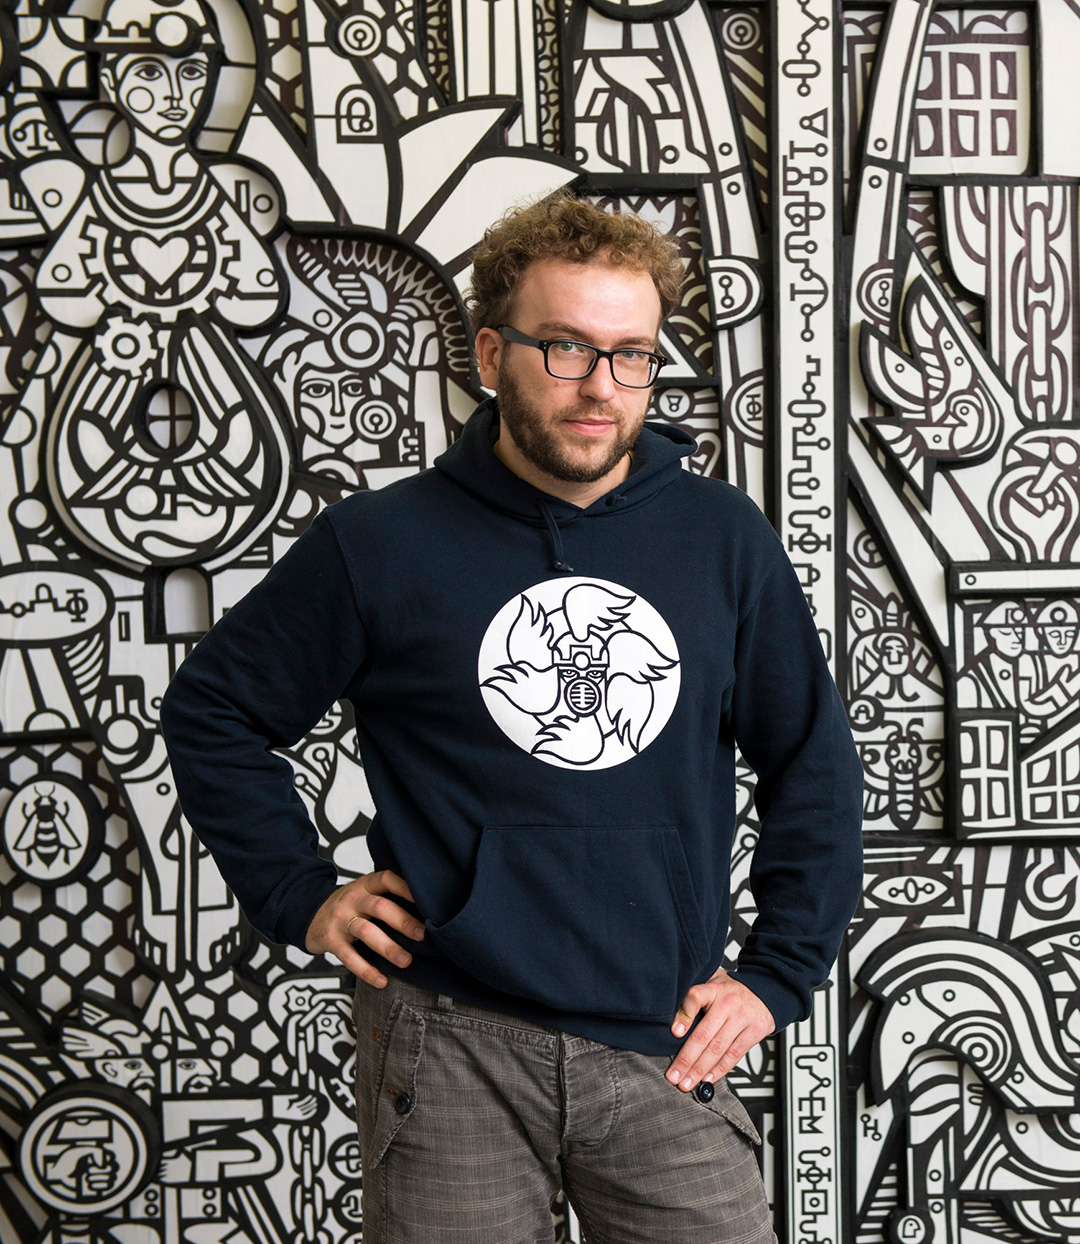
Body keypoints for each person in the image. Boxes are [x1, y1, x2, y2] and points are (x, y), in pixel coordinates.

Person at [161, 193, 864, 1243]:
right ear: (492, 354)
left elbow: (812, 760)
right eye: (566, 348)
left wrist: (777, 973)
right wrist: (297, 892)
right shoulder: (378, 543)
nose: (601, 386)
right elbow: (213, 708)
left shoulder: (724, 538)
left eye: (632, 355)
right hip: (447, 1039)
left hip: (665, 1037)